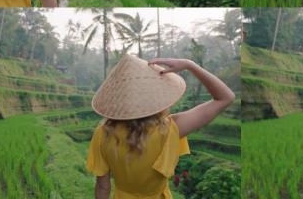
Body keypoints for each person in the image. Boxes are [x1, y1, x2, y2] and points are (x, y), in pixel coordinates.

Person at [86, 55, 235, 199]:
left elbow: (103, 187)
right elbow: (225, 98)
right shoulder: (170, 129)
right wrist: (190, 65)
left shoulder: (103, 133)